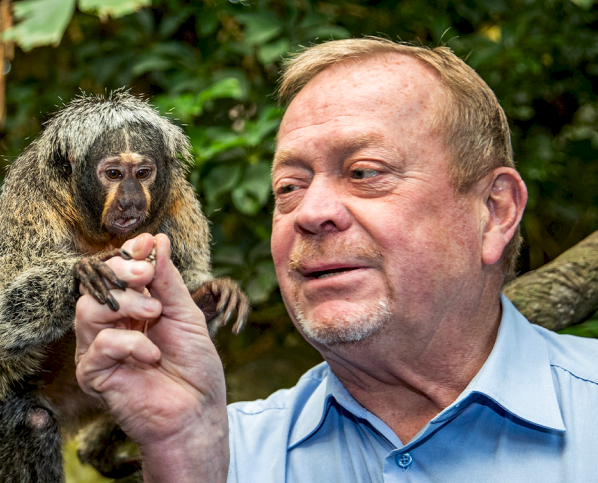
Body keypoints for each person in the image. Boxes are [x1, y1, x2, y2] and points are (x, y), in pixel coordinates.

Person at [74, 37, 598, 482]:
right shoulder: (225, 454)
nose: (311, 212)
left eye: (365, 172)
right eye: (289, 186)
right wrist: (181, 457)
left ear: (494, 211)